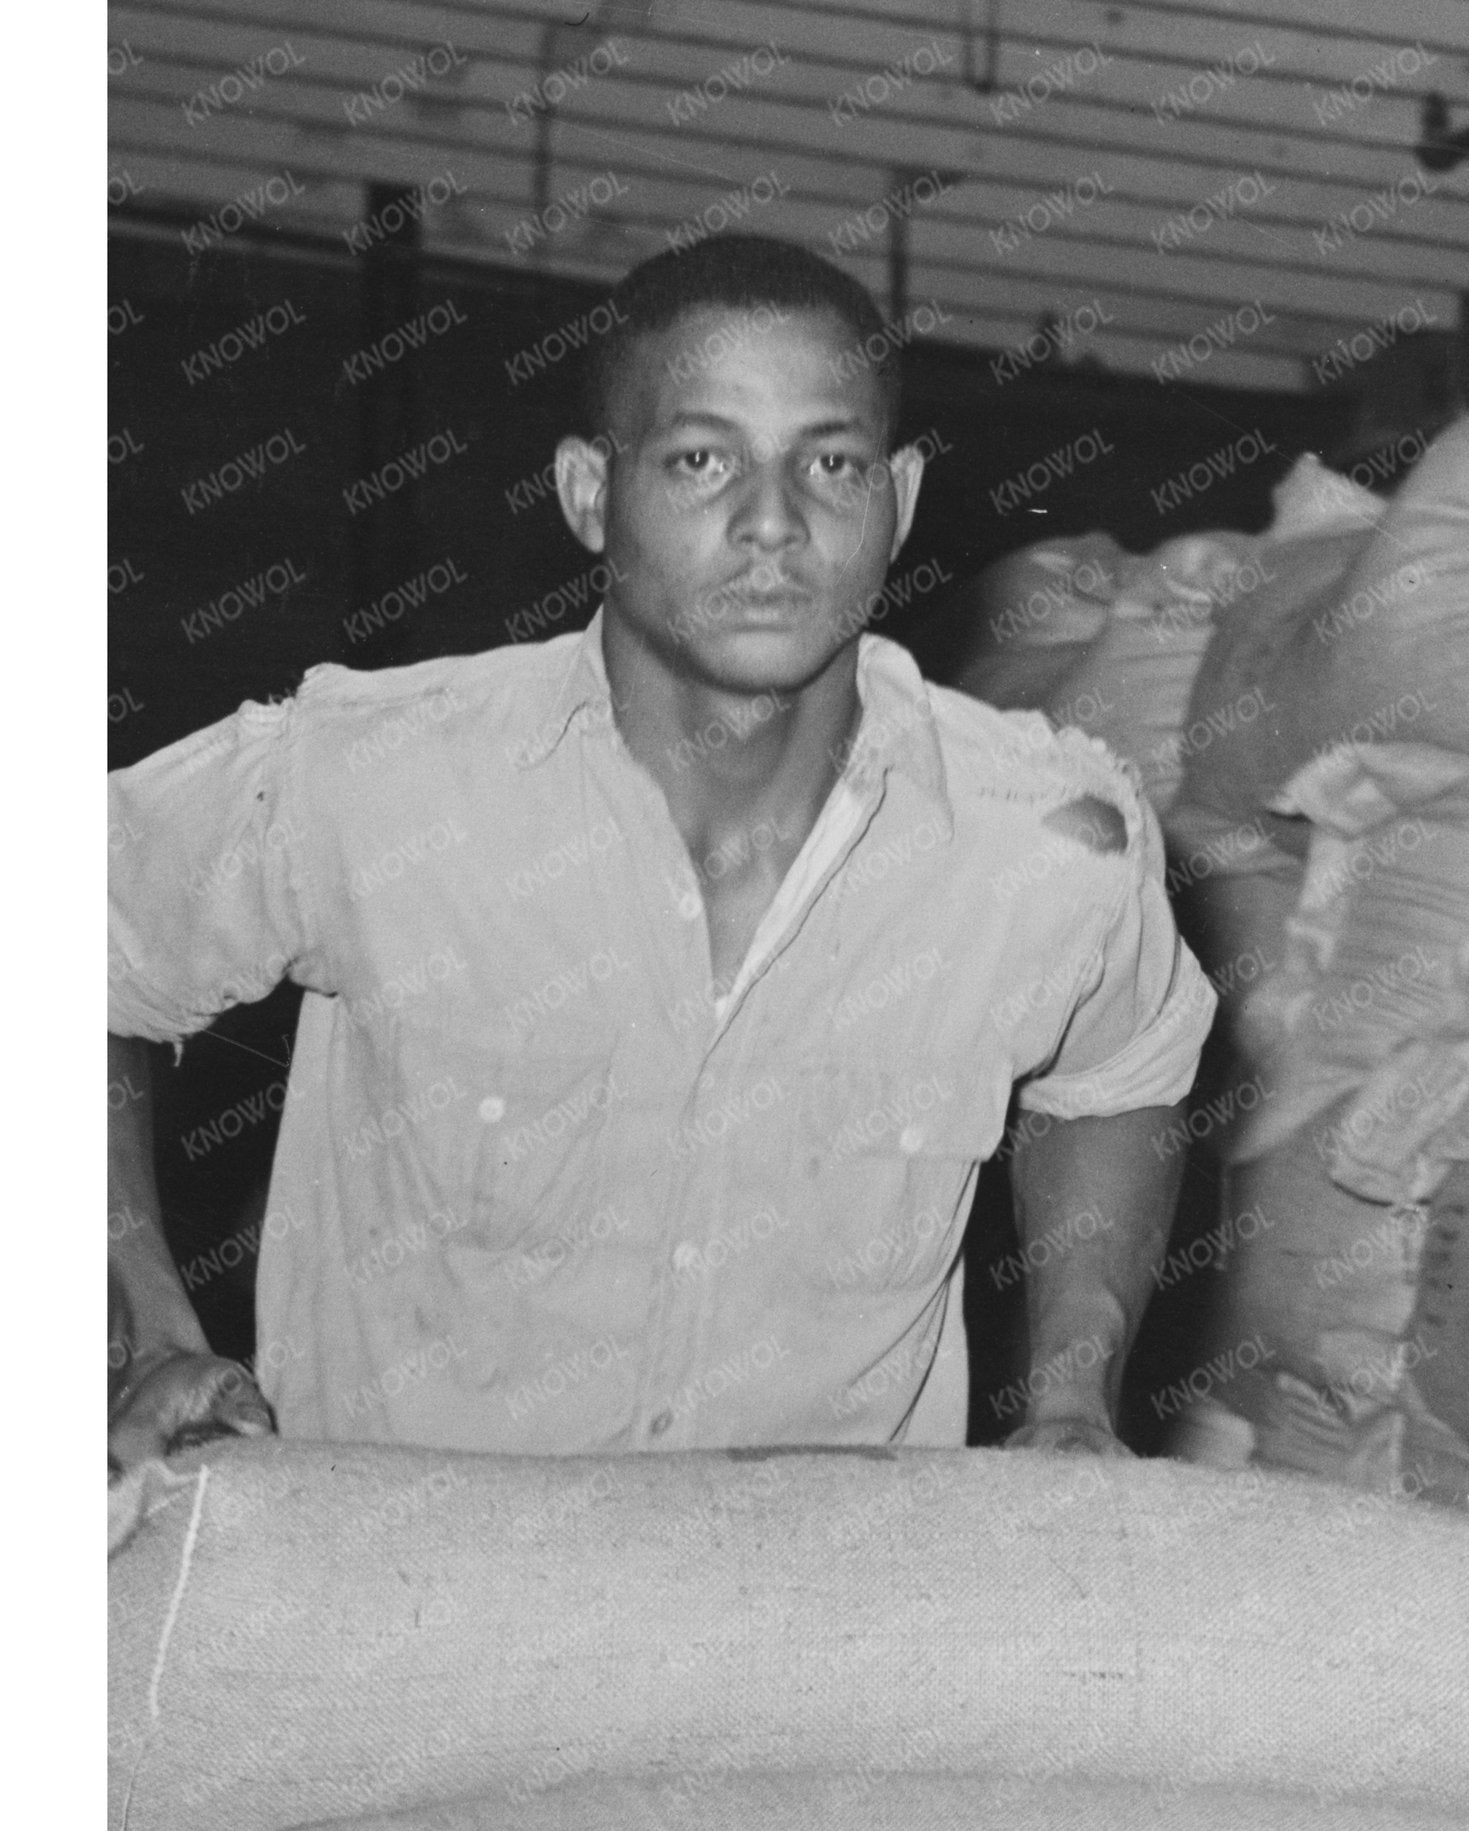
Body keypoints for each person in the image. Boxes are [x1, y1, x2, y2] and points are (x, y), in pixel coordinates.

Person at [109, 232, 1215, 1471]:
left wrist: (1071, 1393)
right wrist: (140, 1332)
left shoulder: (1046, 840)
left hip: (809, 1631)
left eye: (832, 463)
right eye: (701, 459)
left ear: (899, 499)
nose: (772, 524)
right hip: (405, 1619)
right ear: (591, 492)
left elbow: (1120, 1079)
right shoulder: (367, 781)